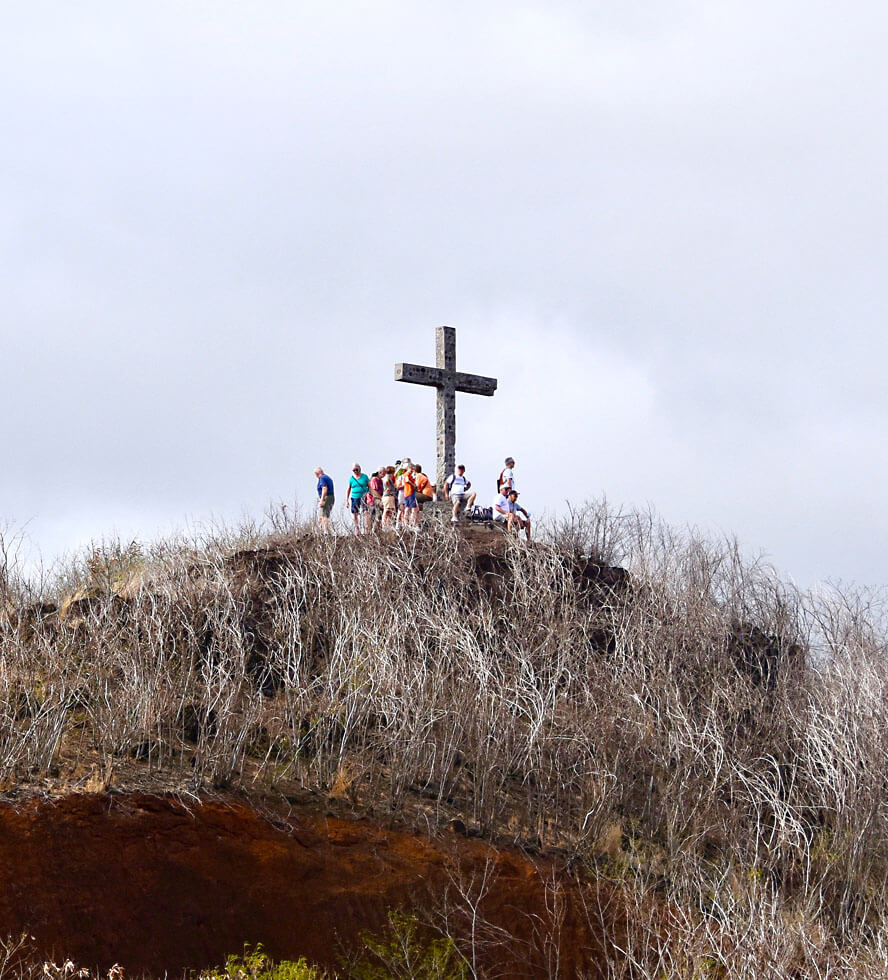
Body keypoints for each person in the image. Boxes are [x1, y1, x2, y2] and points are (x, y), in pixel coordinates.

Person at [346, 463, 371, 535]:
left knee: (366, 512)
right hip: (355, 497)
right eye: (353, 470)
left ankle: (366, 529)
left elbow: (370, 486)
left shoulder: (364, 477)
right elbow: (348, 489)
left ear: (359, 469)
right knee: (355, 513)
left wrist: (371, 495)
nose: (355, 471)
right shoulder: (351, 479)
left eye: (356, 469)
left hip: (364, 496)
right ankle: (357, 529)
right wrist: (347, 500)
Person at [314, 467, 335, 533]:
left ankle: (326, 532)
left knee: (324, 515)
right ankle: (324, 530)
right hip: (329, 497)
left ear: (317, 474)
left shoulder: (323, 478)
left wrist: (322, 500)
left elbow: (324, 489)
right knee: (321, 516)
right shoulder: (326, 477)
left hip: (327, 497)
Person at [381, 465, 397, 531]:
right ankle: (384, 526)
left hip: (388, 496)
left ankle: (388, 525)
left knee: (390, 512)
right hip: (388, 496)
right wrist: (388, 487)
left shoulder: (387, 477)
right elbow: (386, 481)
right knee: (387, 510)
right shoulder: (387, 477)